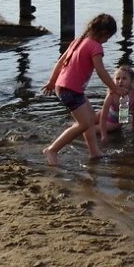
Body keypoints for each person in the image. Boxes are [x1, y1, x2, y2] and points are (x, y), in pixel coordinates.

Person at [41, 13, 126, 165]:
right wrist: (114, 88)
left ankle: (94, 152)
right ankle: (52, 150)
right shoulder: (95, 46)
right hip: (70, 90)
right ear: (103, 33)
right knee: (84, 124)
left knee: (90, 117)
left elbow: (60, 63)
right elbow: (101, 71)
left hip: (65, 87)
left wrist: (51, 81)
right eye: (108, 37)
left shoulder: (78, 42)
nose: (107, 41)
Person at [98, 65, 134, 142]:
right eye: (117, 78)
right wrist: (103, 134)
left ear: (132, 81)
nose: (120, 81)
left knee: (90, 129)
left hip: (114, 122)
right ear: (114, 80)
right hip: (105, 114)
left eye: (124, 78)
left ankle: (81, 133)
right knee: (86, 121)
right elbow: (103, 115)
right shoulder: (112, 94)